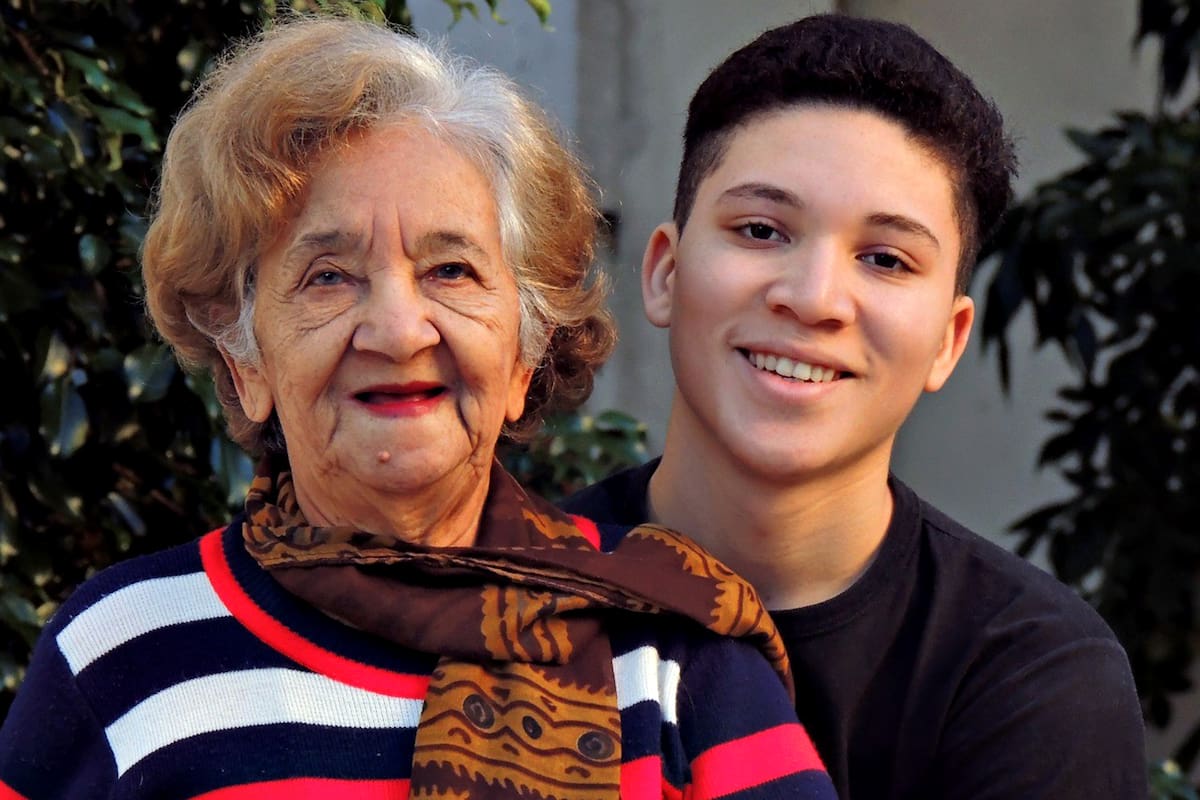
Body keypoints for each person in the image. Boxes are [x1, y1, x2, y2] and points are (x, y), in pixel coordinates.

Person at [0, 16, 838, 800]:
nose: (399, 331)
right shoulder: (117, 655)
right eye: (329, 277)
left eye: (450, 271)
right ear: (244, 358)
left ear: (525, 351)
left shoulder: (678, 660)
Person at [562, 13, 1148, 800]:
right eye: (761, 229)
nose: (814, 299)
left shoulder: (1033, 680)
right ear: (665, 272)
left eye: (885, 259)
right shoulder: (510, 597)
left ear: (948, 341)